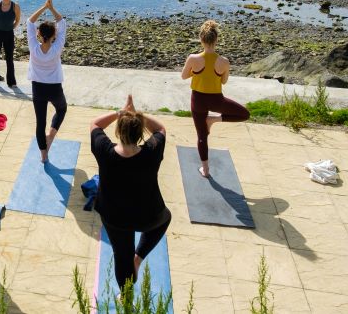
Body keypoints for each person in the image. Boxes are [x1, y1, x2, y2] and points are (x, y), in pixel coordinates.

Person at [90, 94, 171, 290]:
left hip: (114, 217)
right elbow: (160, 129)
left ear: (118, 130)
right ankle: (138, 258)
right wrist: (136, 115)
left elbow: (95, 125)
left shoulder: (104, 150)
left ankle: (125, 296)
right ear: (140, 133)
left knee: (121, 256)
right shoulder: (152, 151)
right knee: (165, 218)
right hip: (147, 215)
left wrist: (121, 113)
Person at [180, 19, 250, 178]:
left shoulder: (193, 58)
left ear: (201, 38)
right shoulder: (224, 61)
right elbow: (223, 81)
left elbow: (184, 76)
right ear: (216, 39)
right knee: (245, 114)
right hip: (217, 101)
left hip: (197, 101)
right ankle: (214, 119)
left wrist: (196, 72)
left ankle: (205, 169)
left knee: (202, 136)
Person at [27, 0, 67, 162]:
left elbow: (30, 21)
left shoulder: (33, 48)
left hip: (38, 88)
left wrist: (44, 7)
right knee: (62, 109)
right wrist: (51, 8)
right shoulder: (57, 48)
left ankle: (43, 153)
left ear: (38, 34)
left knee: (39, 122)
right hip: (54, 88)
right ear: (54, 36)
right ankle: (51, 135)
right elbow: (62, 22)